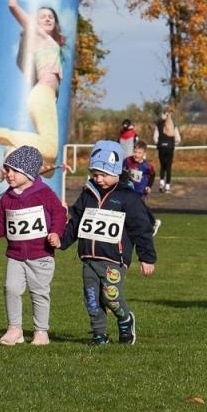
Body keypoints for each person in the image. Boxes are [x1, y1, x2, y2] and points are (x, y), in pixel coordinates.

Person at [59, 140, 156, 345]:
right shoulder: (87, 195)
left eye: (104, 174)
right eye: (95, 174)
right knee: (92, 300)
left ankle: (125, 320)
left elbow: (141, 228)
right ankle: (99, 334)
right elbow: (76, 222)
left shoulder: (128, 198)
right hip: (88, 259)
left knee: (111, 297)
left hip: (114, 260)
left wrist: (146, 258)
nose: (99, 179)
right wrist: (60, 240)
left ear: (118, 172)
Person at [0, 0, 68, 165]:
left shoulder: (53, 43)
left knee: (49, 160)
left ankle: (13, 153)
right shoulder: (38, 36)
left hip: (45, 98)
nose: (47, 19)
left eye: (51, 17)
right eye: (42, 17)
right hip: (42, 95)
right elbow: (13, 6)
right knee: (51, 150)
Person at [0, 145, 67, 346]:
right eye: (7, 170)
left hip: (41, 255)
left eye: (13, 170)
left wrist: (56, 233)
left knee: (39, 292)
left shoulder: (44, 193)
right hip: (15, 256)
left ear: (28, 172)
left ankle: (41, 332)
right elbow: (0, 223)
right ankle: (14, 329)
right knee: (11, 289)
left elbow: (60, 213)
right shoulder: (7, 198)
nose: (8, 175)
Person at [154, 107, 180, 193]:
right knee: (168, 167)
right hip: (170, 148)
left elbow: (155, 138)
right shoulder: (173, 125)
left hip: (161, 148)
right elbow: (178, 139)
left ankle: (161, 183)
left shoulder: (158, 125)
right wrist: (173, 144)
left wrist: (159, 143)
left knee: (162, 166)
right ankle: (167, 186)